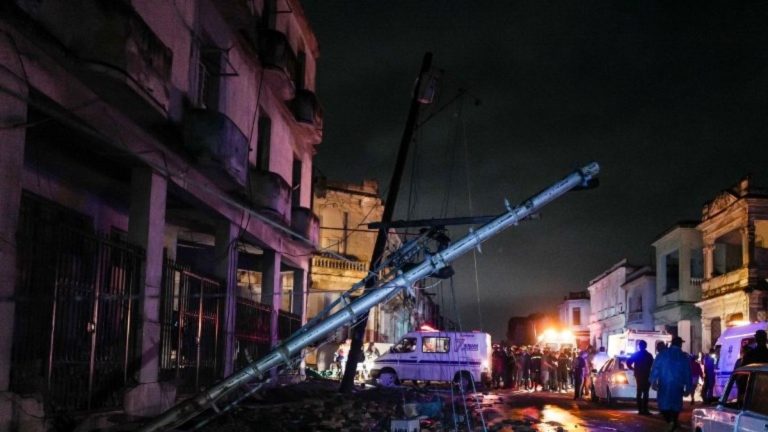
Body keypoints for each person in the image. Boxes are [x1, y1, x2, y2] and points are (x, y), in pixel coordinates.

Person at [650, 336, 691, 432]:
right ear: (680, 344)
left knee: (664, 405)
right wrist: (688, 387)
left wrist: (653, 381)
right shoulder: (683, 356)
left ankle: (670, 422)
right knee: (676, 405)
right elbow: (688, 373)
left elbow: (655, 368)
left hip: (664, 384)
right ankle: (673, 422)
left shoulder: (663, 354)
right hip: (678, 385)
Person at [627, 339, 654, 415]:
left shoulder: (636, 354)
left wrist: (633, 369)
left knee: (639, 392)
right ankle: (645, 409)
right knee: (645, 392)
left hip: (639, 374)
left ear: (639, 346)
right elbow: (652, 365)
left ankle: (640, 409)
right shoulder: (649, 355)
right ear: (645, 346)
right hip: (646, 374)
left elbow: (628, 362)